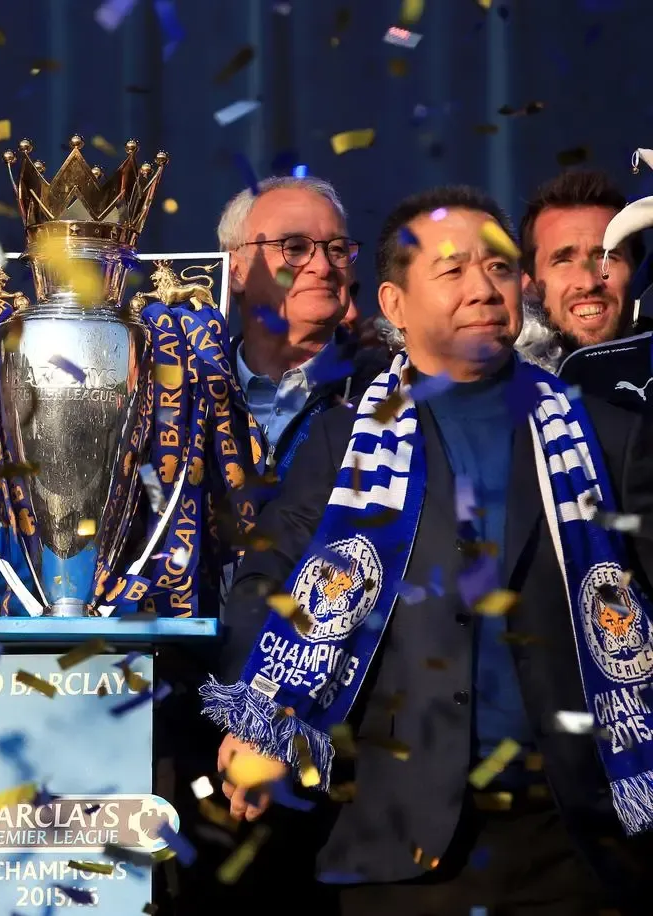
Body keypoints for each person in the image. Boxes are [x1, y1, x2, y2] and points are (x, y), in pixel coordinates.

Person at [206, 185, 653, 914]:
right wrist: (261, 716)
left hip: (579, 847)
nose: (483, 287)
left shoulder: (609, 435)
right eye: (452, 271)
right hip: (402, 851)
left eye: (501, 268)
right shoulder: (344, 438)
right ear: (395, 303)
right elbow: (266, 577)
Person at [216, 176, 387, 476]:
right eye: (293, 248)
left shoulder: (388, 387)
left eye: (337, 249)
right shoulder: (190, 391)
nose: (323, 267)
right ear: (236, 271)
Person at [515, 169, 646, 372]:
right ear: (528, 282)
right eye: (563, 261)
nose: (588, 282)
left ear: (637, 268)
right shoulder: (502, 391)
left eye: (607, 257)